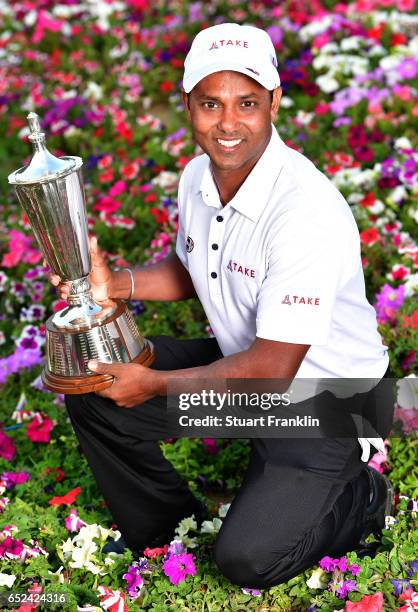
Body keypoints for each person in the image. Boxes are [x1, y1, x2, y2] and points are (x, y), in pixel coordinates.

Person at [49, 23, 394, 588]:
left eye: (247, 104)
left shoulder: (303, 212)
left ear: (275, 103)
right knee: (95, 387)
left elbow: (271, 371)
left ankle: (360, 495)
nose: (228, 124)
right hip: (247, 376)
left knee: (248, 561)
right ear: (188, 104)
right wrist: (118, 284)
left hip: (327, 402)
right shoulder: (199, 176)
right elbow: (197, 265)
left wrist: (154, 384)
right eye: (210, 103)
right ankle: (169, 533)